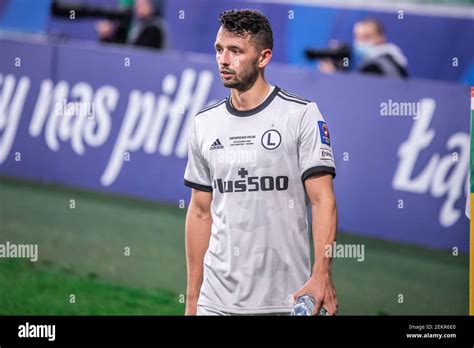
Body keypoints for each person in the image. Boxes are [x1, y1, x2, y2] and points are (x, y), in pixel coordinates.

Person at [184, 9, 338, 316]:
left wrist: (322, 274)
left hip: (285, 299)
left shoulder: (302, 116)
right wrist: (192, 301)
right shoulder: (204, 123)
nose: (224, 60)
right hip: (215, 302)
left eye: (235, 51)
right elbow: (200, 212)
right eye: (219, 50)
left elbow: (323, 202)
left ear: (264, 57)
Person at [320, 18, 408, 78]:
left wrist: (334, 76)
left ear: (381, 39)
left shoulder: (388, 61)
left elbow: (359, 90)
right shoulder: (355, 62)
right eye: (358, 37)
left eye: (366, 37)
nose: (360, 42)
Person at [96, 0, 165, 49]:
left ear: (153, 5)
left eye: (143, 2)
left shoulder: (154, 29)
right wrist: (105, 37)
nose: (137, 4)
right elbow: (120, 51)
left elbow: (135, 57)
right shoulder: (137, 27)